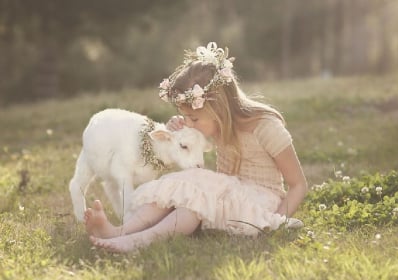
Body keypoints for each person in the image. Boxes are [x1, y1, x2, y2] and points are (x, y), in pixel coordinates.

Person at [84, 42, 308, 253]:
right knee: (193, 190)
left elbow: (298, 184)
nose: (189, 123)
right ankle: (120, 231)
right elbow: (193, 151)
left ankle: (140, 240)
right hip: (229, 195)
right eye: (185, 117)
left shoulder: (266, 127)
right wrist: (179, 129)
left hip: (260, 205)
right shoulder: (217, 126)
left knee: (197, 195)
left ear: (219, 108)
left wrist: (275, 221)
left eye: (193, 118)